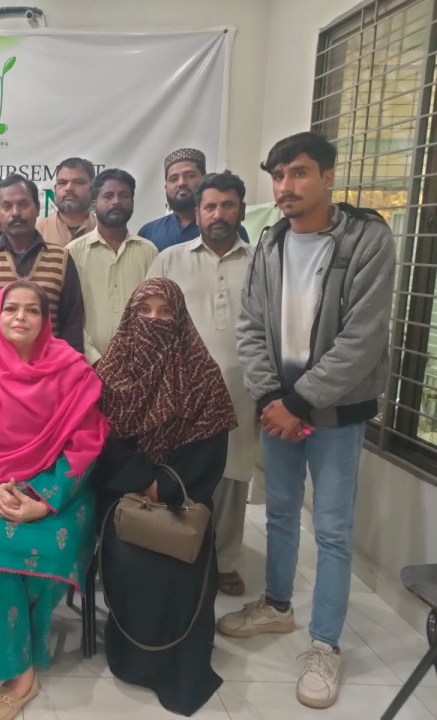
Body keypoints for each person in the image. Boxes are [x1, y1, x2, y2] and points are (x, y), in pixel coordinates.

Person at [221, 132, 396, 710]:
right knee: (277, 513)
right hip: (278, 407)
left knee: (333, 529)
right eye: (278, 176)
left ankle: (324, 645)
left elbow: (363, 338)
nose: (285, 186)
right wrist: (273, 397)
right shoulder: (269, 242)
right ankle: (276, 606)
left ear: (327, 177)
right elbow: (250, 326)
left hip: (335, 412)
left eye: (298, 173)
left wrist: (298, 404)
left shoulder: (367, 238)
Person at [0, 280, 108, 720]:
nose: (20, 317)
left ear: (45, 319)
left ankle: (18, 652)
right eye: (11, 308)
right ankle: (21, 674)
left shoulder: (72, 370)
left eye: (31, 310)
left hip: (59, 490)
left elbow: (85, 445)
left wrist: (44, 501)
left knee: (47, 550)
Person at [94, 278, 236, 716]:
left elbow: (211, 448)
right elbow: (101, 442)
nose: (154, 320)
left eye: (165, 311)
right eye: (145, 310)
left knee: (181, 563)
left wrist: (166, 487)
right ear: (130, 316)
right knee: (132, 558)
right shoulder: (109, 375)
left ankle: (178, 662)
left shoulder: (202, 375)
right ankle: (133, 658)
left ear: (180, 319)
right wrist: (141, 482)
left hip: (183, 499)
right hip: (125, 499)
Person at [147, 170, 255, 597]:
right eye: (210, 206)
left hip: (241, 390)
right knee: (183, 472)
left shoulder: (260, 261)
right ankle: (178, 548)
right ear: (197, 210)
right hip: (181, 391)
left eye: (228, 205)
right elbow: (149, 322)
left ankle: (225, 559)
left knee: (233, 478)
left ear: (241, 210)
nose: (218, 214)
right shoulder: (170, 259)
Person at [0, 174, 85, 375]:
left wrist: (69, 376)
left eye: (23, 204)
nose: (15, 213)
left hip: (47, 378)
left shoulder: (61, 259)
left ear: (37, 208)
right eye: (7, 206)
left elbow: (72, 326)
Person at [67, 168, 156, 366]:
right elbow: (70, 315)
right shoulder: (73, 253)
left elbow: (154, 311)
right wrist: (95, 360)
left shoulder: (149, 251)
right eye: (108, 196)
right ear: (94, 205)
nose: (116, 201)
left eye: (123, 195)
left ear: (132, 202)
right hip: (87, 366)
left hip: (139, 365)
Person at [139, 148, 249, 251]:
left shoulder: (229, 229)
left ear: (204, 180)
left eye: (190, 176)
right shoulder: (149, 232)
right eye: (174, 179)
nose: (181, 183)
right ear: (166, 187)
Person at [36, 157, 96, 247]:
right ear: (55, 189)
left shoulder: (105, 231)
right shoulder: (36, 232)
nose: (69, 188)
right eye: (62, 183)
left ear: (92, 188)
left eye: (79, 182)